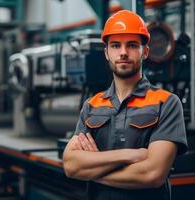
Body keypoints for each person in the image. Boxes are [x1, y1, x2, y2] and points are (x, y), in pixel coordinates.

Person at [62, 10, 188, 200]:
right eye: (115, 45)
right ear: (106, 53)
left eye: (131, 45)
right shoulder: (92, 105)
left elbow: (152, 174)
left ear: (145, 52)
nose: (123, 52)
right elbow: (71, 166)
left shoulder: (166, 103)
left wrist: (91, 170)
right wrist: (131, 155)